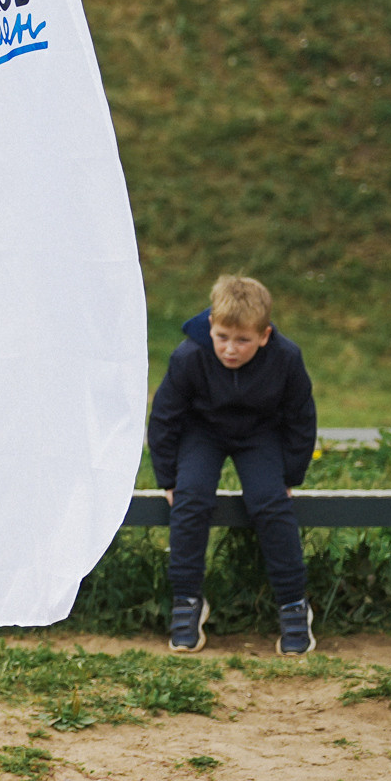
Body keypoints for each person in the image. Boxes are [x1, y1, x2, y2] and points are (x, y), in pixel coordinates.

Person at [149, 274, 319, 657]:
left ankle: (294, 606)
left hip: (260, 434)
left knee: (270, 502)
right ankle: (187, 602)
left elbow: (300, 419)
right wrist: (168, 477)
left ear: (264, 335)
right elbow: (165, 418)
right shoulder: (188, 356)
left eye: (243, 340)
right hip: (203, 433)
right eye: (222, 336)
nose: (230, 349)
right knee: (190, 499)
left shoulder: (287, 359)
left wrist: (291, 475)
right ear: (211, 325)